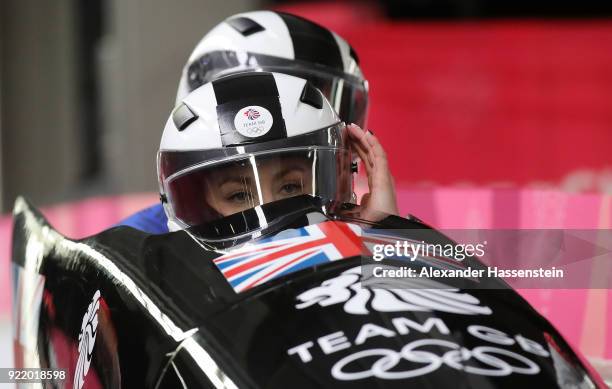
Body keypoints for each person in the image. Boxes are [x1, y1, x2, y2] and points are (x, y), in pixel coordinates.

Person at [120, 11, 397, 232]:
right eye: (239, 195)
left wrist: (386, 232)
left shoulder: (362, 217)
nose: (302, 120)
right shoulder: (143, 240)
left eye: (290, 188)